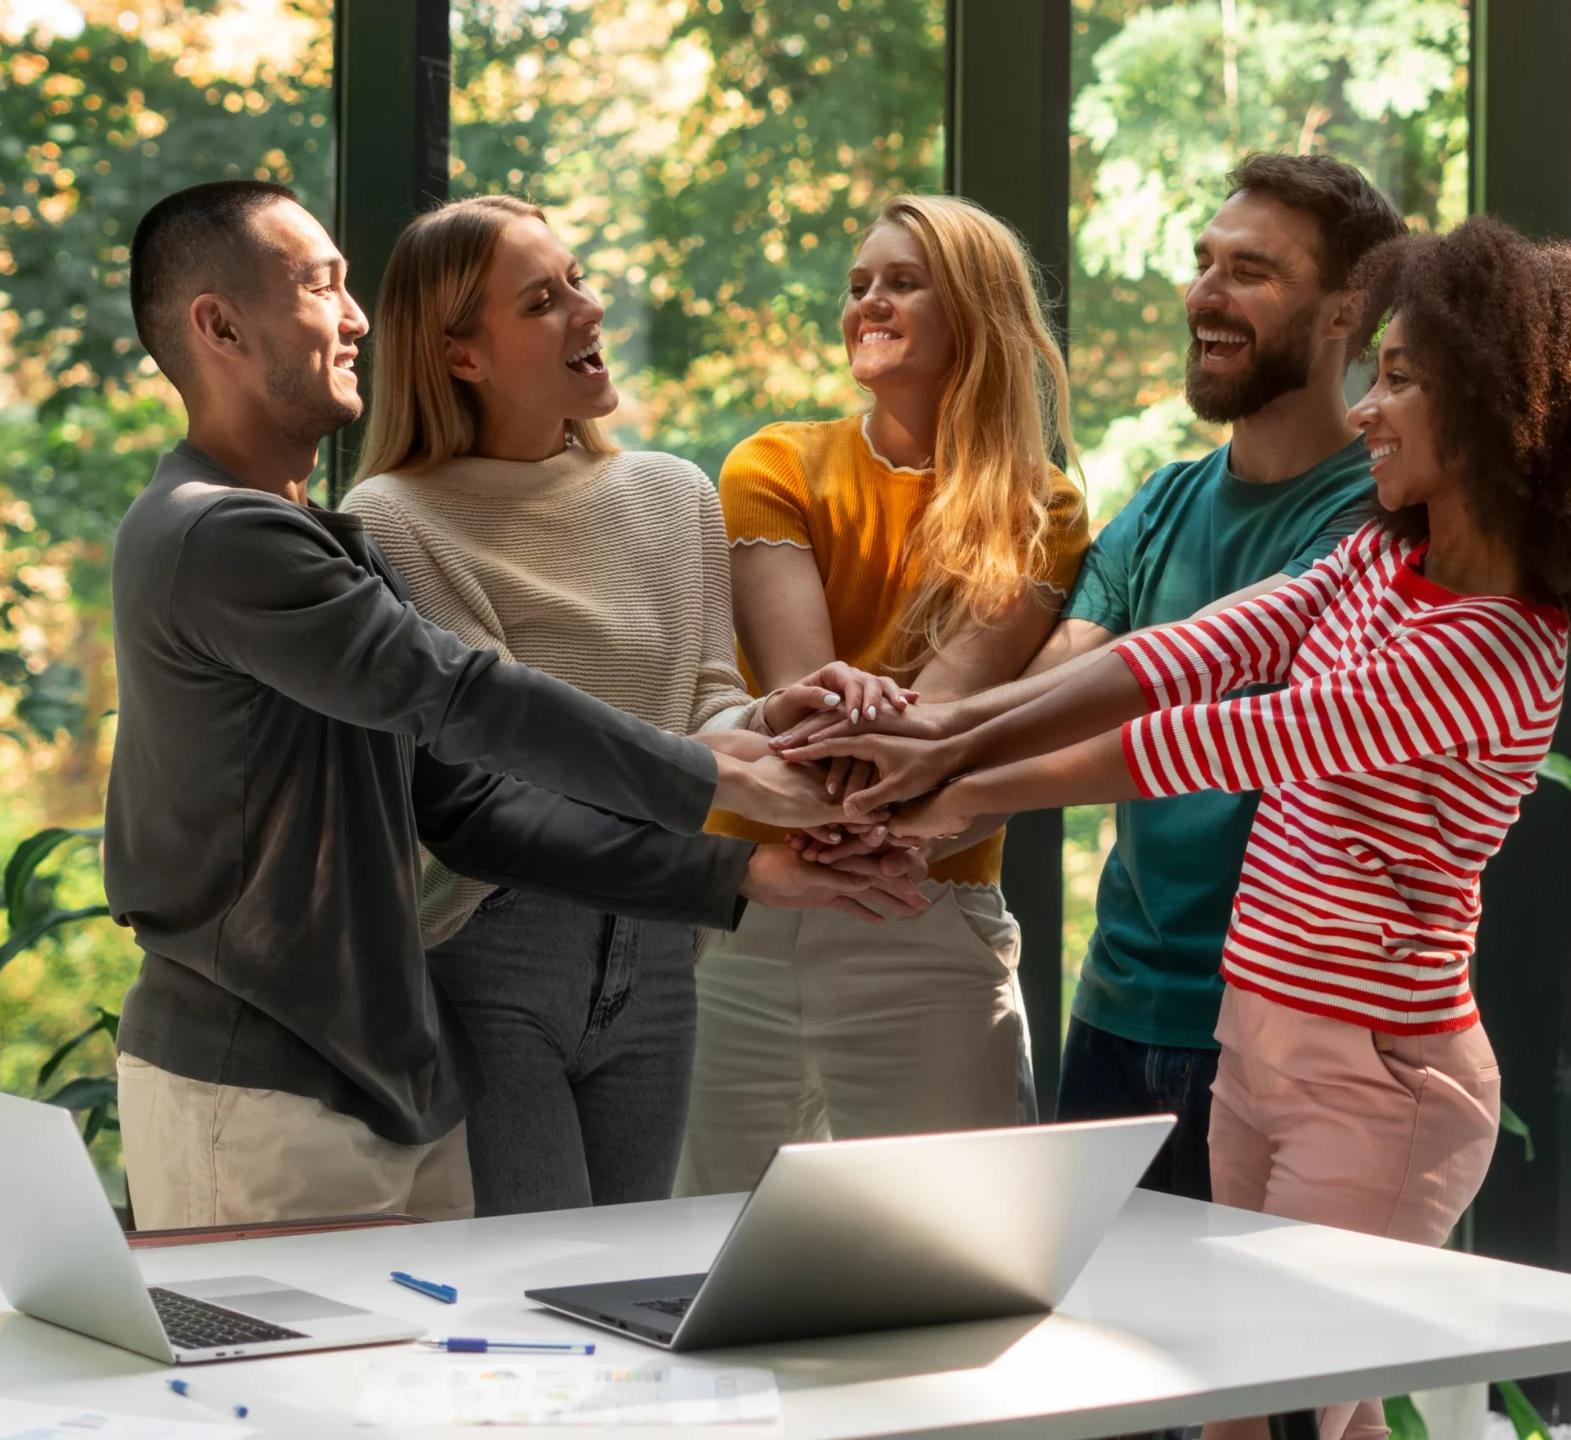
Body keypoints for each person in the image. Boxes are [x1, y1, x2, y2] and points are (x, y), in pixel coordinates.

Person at [789, 216, 1571, 1440]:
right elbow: (1201, 649)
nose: (1370, 407)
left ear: (1496, 412)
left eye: (1404, 379)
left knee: (1273, 1418)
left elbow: (1239, 736)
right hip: (1256, 1042)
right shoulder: (1381, 558)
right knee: (1275, 1411)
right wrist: (958, 733)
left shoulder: (1495, 643)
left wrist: (954, 782)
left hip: (1374, 1084)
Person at [103, 181, 924, 1232]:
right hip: (255, 1086)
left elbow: (469, 809)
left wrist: (745, 867)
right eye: (318, 289)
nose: (356, 319)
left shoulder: (326, 542)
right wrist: (714, 775)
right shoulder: (214, 535)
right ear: (216, 326)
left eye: (350, 288)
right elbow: (458, 696)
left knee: (500, 1373)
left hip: (393, 1083)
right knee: (289, 1397)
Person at [339, 197, 911, 1216]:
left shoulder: (671, 493)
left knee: (631, 1275)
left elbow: (705, 697)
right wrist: (726, 777)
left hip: (660, 948)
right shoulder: (391, 520)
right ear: (462, 355)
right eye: (542, 299)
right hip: (494, 946)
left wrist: (785, 718)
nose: (587, 309)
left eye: (579, 278)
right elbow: (504, 766)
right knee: (533, 1291)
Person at [672, 194, 1093, 1195]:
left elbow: (938, 729)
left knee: (953, 1254)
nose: (868, 301)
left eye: (902, 282)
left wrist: (882, 803)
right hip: (747, 921)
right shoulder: (773, 463)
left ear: (976, 314)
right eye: (859, 284)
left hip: (926, 911)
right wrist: (863, 780)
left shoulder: (1043, 504)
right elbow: (807, 709)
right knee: (692, 1248)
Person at [1025, 152, 1404, 1199]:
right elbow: (1058, 688)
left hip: (1271, 1035)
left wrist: (953, 774)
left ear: (1345, 313)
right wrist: (904, 748)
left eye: (1251, 271)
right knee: (1095, 1355)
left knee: (1251, 1355)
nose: (1204, 296)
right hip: (1114, 1010)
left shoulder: (1371, 526)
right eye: (1203, 263)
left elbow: (1188, 732)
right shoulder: (1161, 502)